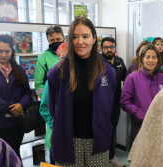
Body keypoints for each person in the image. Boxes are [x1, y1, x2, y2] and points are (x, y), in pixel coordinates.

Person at [47, 17, 116, 166]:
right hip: (68, 141)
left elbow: (111, 105)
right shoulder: (57, 72)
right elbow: (53, 109)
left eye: (85, 36)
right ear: (69, 39)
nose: (80, 41)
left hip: (98, 141)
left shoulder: (107, 72)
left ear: (94, 39)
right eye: (75, 37)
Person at [120, 43, 163, 149]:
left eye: (154, 57)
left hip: (160, 126)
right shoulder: (132, 77)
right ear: (142, 58)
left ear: (158, 59)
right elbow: (125, 101)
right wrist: (140, 114)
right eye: (147, 57)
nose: (150, 60)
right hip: (139, 125)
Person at [0, 35, 32, 159]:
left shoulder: (19, 70)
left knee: (14, 155)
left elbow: (27, 93)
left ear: (12, 52)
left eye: (7, 51)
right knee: (1, 158)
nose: (3, 54)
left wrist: (21, 105)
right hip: (0, 124)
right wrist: (11, 107)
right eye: (0, 51)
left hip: (16, 124)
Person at [39, 42, 68, 165]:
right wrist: (56, 124)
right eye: (63, 57)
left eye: (70, 56)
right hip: (56, 137)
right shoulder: (52, 79)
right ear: (59, 58)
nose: (67, 61)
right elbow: (44, 108)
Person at [101, 37, 127, 167]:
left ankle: (110, 157)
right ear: (101, 48)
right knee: (100, 131)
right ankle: (100, 157)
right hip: (100, 105)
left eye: (112, 46)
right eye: (106, 47)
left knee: (111, 131)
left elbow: (127, 81)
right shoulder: (96, 62)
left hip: (115, 105)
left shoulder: (120, 62)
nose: (109, 49)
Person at [35, 25, 65, 98]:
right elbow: (39, 84)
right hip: (52, 101)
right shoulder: (42, 59)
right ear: (48, 41)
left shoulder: (72, 54)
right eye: (52, 40)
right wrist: (48, 100)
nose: (55, 42)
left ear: (64, 38)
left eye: (58, 39)